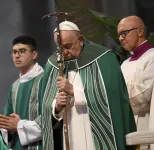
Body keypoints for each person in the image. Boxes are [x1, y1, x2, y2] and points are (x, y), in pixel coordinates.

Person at [38, 21, 137, 150]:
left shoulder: (103, 59)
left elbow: (111, 98)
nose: (64, 52)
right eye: (59, 48)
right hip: (69, 134)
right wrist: (56, 107)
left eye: (68, 46)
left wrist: (73, 91)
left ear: (79, 40)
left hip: (94, 135)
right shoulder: (53, 65)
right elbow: (46, 108)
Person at [0, 35, 44, 150]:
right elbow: (8, 119)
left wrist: (19, 125)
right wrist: (5, 126)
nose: (17, 55)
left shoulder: (45, 80)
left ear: (34, 54)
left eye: (22, 51)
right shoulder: (14, 87)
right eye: (14, 52)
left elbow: (50, 118)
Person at [118, 15, 154, 150]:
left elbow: (144, 95)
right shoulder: (124, 64)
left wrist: (119, 99)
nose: (121, 38)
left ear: (140, 32)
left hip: (146, 124)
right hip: (127, 129)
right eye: (119, 35)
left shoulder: (152, 57)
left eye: (124, 33)